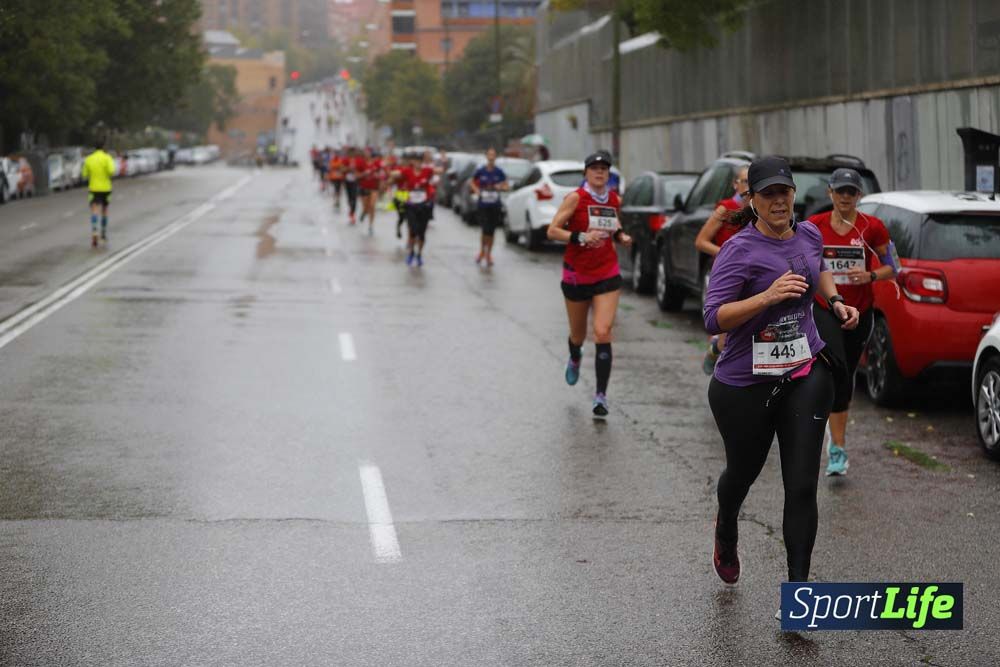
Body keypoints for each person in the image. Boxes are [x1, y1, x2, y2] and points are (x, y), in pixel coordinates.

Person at [701, 156, 859, 617]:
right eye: (767, 193)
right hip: (744, 384)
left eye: (783, 192)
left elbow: (818, 266)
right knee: (741, 476)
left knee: (801, 486)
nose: (777, 200)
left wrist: (834, 300)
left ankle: (799, 597)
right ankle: (726, 526)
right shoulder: (738, 250)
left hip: (802, 373)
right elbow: (713, 317)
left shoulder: (808, 232)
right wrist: (768, 296)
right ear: (751, 200)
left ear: (794, 194)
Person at [808, 168, 895, 476]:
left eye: (851, 192)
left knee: (845, 374)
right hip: (825, 308)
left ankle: (838, 447)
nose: (845, 197)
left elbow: (892, 267)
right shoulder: (814, 226)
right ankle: (832, 445)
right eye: (840, 191)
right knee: (837, 366)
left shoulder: (872, 227)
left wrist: (870, 275)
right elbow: (798, 257)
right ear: (830, 193)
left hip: (861, 309)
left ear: (859, 196)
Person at [546, 150, 633, 419]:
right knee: (578, 335)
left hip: (607, 272)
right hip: (577, 275)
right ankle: (575, 355)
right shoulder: (575, 198)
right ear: (586, 172)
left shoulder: (613, 199)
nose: (599, 172)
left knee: (603, 332)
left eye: (604, 169)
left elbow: (612, 225)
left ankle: (600, 396)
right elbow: (552, 230)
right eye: (594, 168)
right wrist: (580, 237)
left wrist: (621, 236)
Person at [695, 165, 750, 374]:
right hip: (723, 274)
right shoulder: (725, 208)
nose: (748, 186)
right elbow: (701, 241)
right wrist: (727, 255)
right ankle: (716, 353)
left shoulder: (760, 209)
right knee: (724, 325)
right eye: (744, 181)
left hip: (749, 277)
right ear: (735, 184)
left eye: (752, 181)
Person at [394, 154, 439, 266]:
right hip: (411, 206)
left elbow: (438, 172)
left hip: (424, 206)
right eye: (415, 161)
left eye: (420, 162)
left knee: (422, 233)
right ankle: (411, 252)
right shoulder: (407, 171)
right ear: (412, 162)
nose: (418, 164)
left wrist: (437, 172)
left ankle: (419, 254)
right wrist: (392, 172)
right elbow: (396, 175)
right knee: (413, 230)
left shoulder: (427, 171)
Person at [470, 148, 508, 266]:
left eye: (493, 155)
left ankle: (489, 254)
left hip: (495, 205)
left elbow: (506, 186)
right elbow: (472, 182)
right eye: (489, 155)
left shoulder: (499, 172)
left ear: (495, 157)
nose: (491, 157)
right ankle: (482, 251)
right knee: (484, 229)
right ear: (486, 156)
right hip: (483, 205)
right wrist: (476, 190)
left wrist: (500, 187)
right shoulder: (481, 171)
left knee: (491, 231)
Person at [81, 139, 116, 248]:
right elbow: (112, 171)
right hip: (106, 188)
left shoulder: (89, 159)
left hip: (93, 188)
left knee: (94, 210)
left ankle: (95, 231)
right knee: (104, 210)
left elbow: (84, 174)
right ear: (103, 147)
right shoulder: (107, 158)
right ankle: (103, 233)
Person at [358, 147, 381, 234]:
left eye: (368, 153)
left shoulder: (377, 163)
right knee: (366, 207)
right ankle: (364, 213)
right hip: (364, 187)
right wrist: (364, 174)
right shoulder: (361, 163)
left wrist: (379, 176)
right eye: (365, 153)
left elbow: (382, 173)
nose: (367, 154)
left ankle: (371, 225)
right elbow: (357, 175)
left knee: (372, 206)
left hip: (374, 188)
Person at [345, 147, 361, 225]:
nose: (352, 154)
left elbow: (362, 170)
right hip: (347, 181)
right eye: (350, 153)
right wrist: (349, 169)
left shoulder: (358, 160)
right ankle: (351, 210)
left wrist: (357, 173)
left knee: (354, 198)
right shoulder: (346, 160)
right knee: (349, 198)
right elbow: (342, 169)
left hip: (355, 182)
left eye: (353, 153)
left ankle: (352, 214)